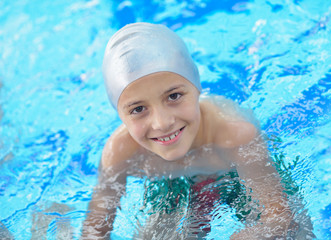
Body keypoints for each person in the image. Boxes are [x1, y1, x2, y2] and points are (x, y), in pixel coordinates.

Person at [81, 22, 299, 240]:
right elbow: (95, 230)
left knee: (297, 232)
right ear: (120, 116)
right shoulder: (120, 152)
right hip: (170, 182)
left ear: (197, 87)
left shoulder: (235, 135)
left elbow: (279, 217)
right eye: (138, 109)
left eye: (174, 96)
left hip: (235, 174)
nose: (162, 123)